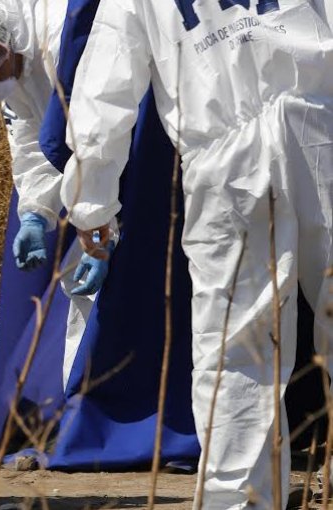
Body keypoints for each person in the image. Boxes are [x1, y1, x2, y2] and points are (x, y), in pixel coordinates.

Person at [58, 0, 333, 505]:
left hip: (225, 159)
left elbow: (106, 82)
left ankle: (237, 499)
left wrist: (91, 198)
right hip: (320, 126)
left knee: (235, 347)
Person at [0, 0, 115, 388]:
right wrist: (35, 213)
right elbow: (31, 138)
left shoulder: (63, 41)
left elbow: (100, 141)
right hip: (96, 168)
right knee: (85, 290)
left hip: (127, 157)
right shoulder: (9, 61)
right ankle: (86, 403)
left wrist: (100, 225)